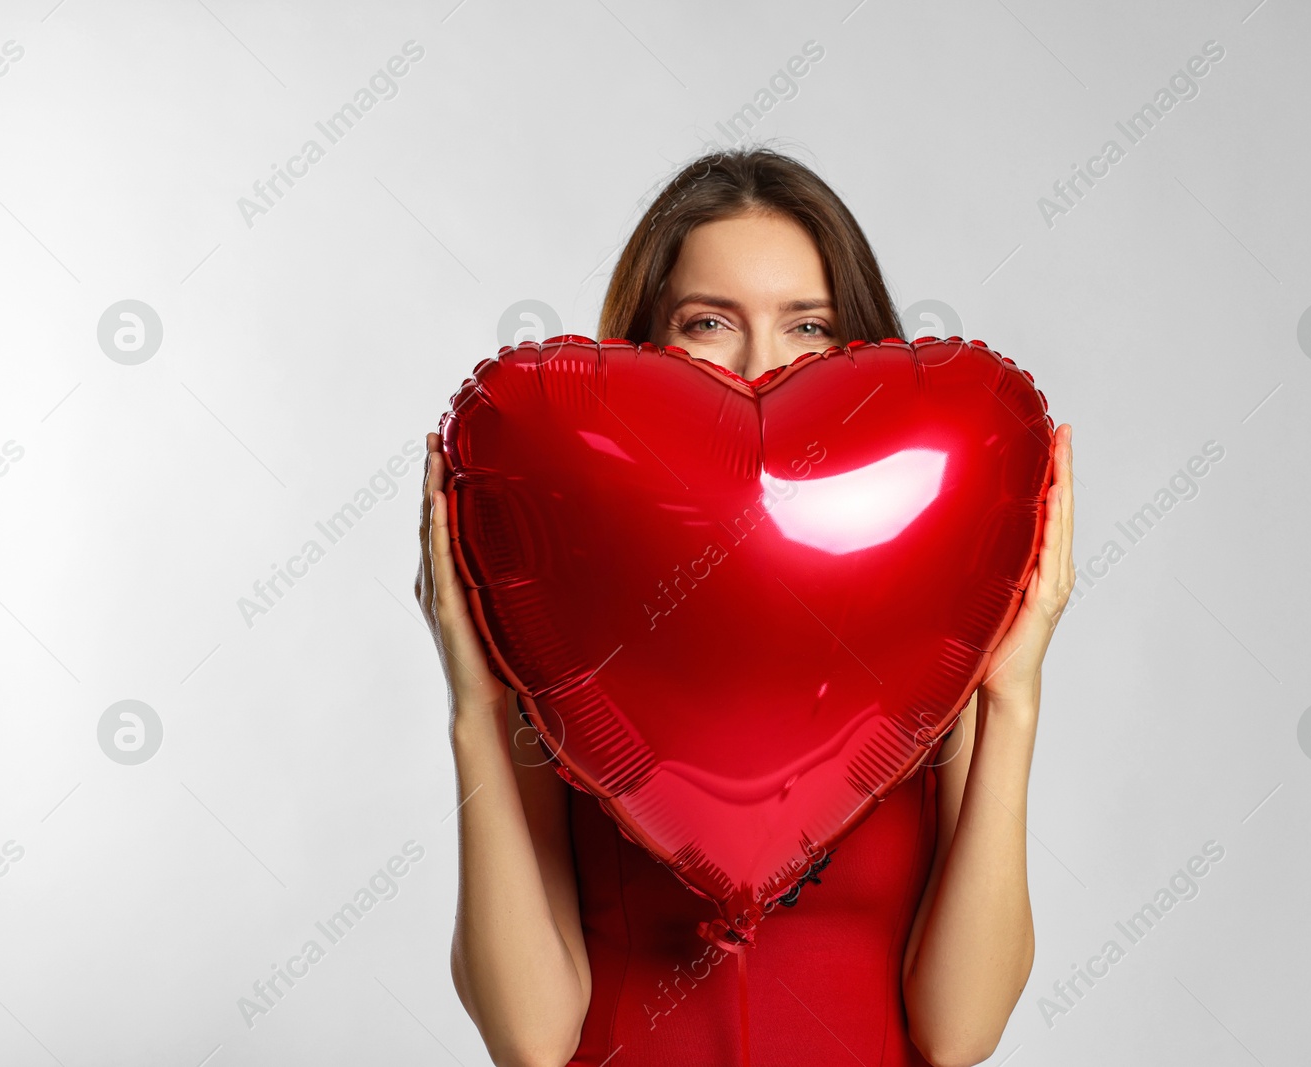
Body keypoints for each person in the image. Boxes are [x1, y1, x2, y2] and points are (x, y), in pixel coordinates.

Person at [416, 146, 1075, 1067]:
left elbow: (959, 1032)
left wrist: (1013, 690)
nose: (763, 367)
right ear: (642, 350)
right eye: (709, 322)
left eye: (807, 326)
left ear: (859, 353)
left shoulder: (931, 653)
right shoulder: (565, 638)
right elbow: (531, 1038)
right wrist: (477, 702)